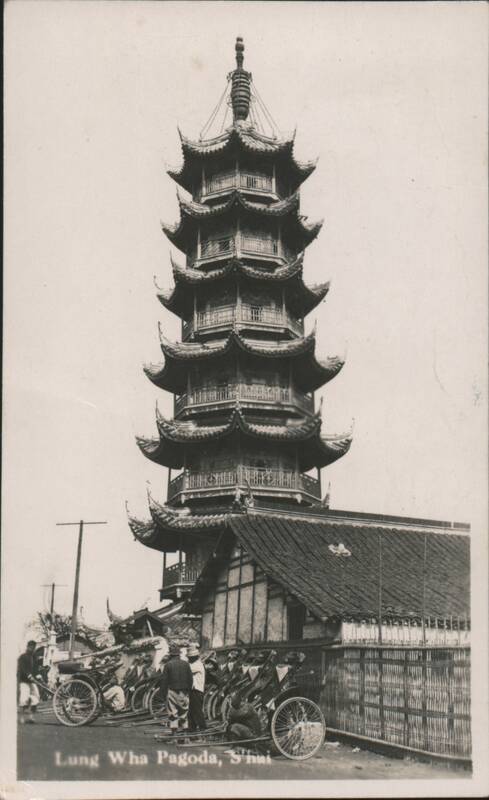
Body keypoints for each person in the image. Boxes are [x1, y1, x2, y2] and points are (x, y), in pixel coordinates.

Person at [158, 642, 193, 738]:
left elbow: (164, 681)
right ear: (179, 654)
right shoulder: (186, 664)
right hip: (184, 692)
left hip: (173, 691)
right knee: (184, 713)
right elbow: (190, 679)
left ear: (171, 655)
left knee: (173, 713)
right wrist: (188, 691)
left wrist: (162, 694)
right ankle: (185, 735)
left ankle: (174, 735)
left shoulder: (168, 665)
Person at [17, 640, 40, 724]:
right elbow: (22, 668)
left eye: (34, 647)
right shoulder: (22, 657)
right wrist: (28, 675)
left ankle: (31, 717)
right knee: (24, 699)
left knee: (36, 698)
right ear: (28, 647)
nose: (32, 649)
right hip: (24, 681)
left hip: (32, 681)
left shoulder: (34, 657)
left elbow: (36, 669)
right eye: (31, 647)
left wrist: (38, 675)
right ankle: (22, 717)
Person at [187, 644, 206, 732]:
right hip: (193, 690)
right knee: (191, 711)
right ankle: (192, 728)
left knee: (197, 710)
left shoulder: (197, 665)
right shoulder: (194, 663)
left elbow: (186, 669)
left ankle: (203, 728)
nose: (189, 659)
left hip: (197, 690)